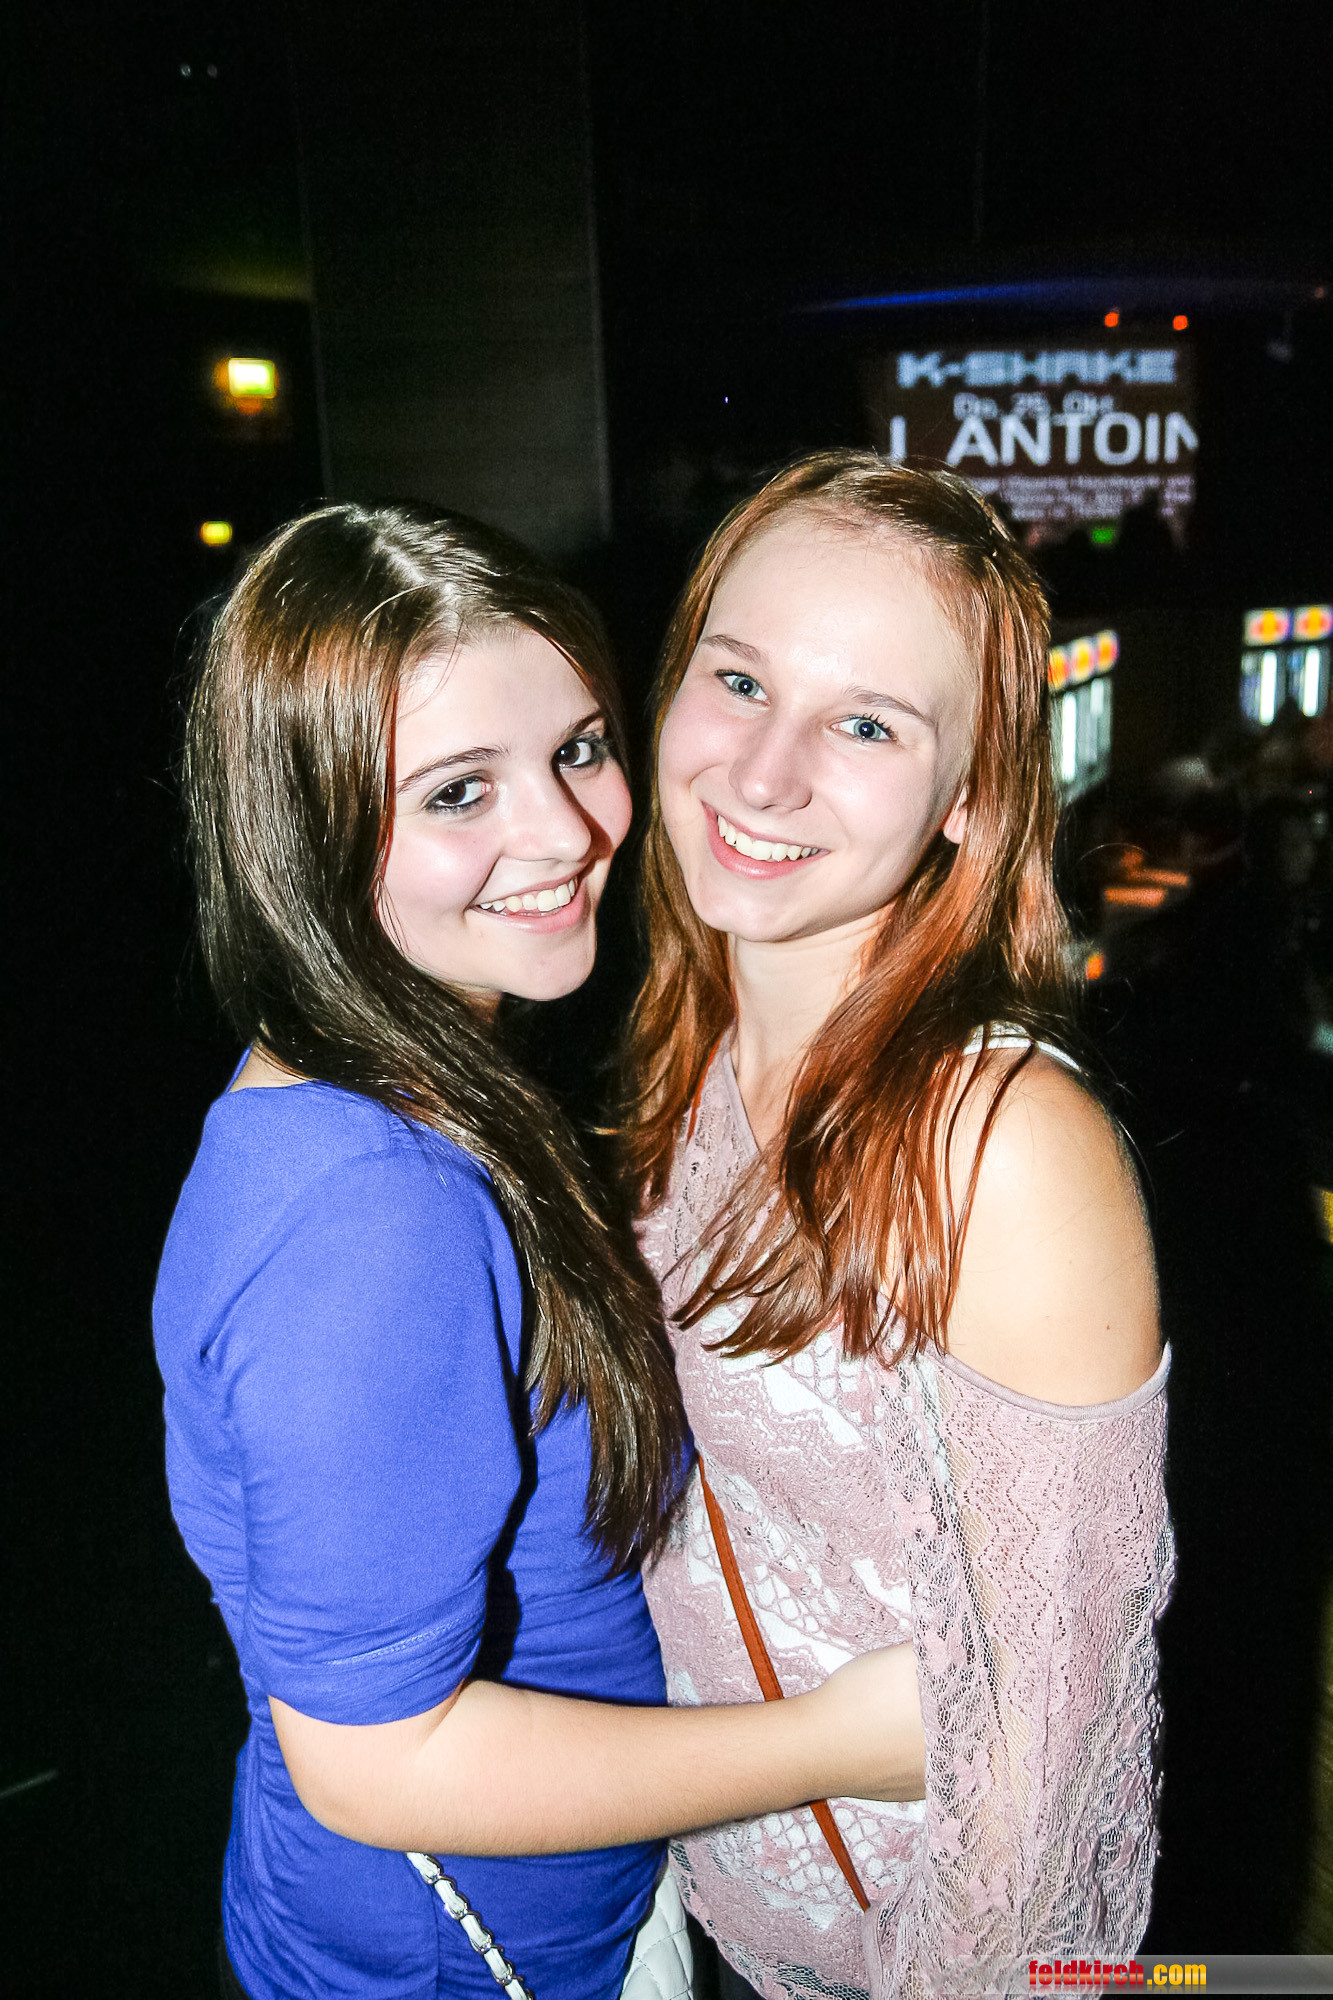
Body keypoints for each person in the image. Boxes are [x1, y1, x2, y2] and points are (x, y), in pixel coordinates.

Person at [153, 503, 926, 2000]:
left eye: (578, 750)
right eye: (458, 791)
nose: (567, 832)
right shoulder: (375, 1215)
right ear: (302, 826)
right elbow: (376, 1764)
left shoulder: (396, 1085)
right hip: (459, 1962)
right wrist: (839, 1743)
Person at [623, 455, 1174, 1998]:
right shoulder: (687, 1052)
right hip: (711, 1917)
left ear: (972, 798)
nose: (762, 774)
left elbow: (1049, 1766)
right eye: (739, 680)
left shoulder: (998, 1144)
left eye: (866, 724)